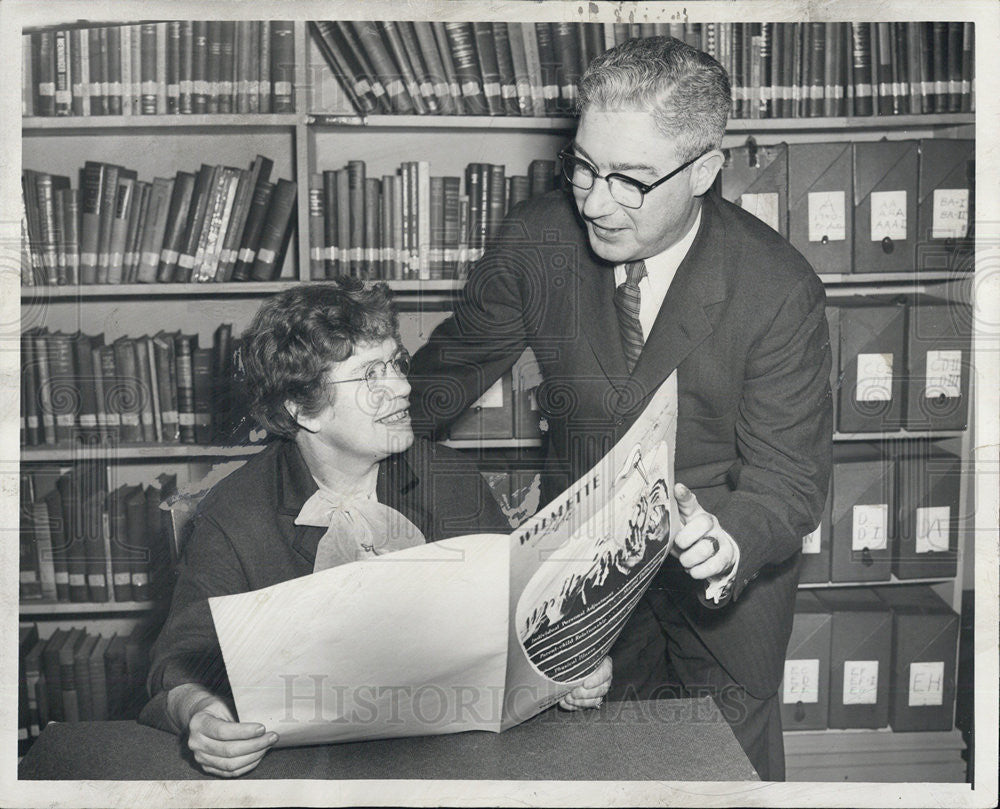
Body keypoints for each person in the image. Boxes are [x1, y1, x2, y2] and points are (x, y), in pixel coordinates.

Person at [408, 37, 832, 781]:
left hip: (726, 598)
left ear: (703, 170)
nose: (596, 201)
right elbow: (444, 378)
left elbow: (789, 482)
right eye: (583, 166)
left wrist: (724, 542)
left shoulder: (777, 287)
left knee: (724, 782)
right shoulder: (539, 239)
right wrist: (338, 433)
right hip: (578, 585)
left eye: (631, 180)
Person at [139, 281, 612, 778]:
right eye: (370, 376)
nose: (404, 387)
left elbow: (525, 620)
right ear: (301, 409)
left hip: (451, 757)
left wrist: (569, 665)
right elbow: (176, 665)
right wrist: (199, 713)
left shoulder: (448, 481)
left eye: (395, 363)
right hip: (303, 770)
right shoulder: (235, 512)